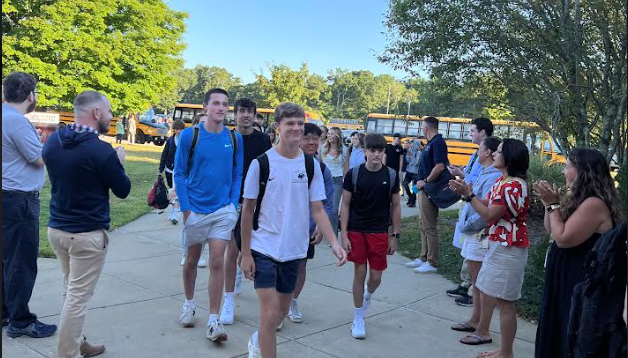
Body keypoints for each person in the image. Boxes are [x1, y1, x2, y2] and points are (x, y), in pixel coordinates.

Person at [240, 102, 347, 358]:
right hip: (264, 247)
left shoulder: (311, 167)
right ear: (278, 127)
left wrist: (334, 242)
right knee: (269, 312)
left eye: (300, 123)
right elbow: (247, 211)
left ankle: (258, 341)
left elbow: (318, 210)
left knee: (279, 314)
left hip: (295, 250)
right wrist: (245, 253)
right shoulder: (261, 164)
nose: (297, 128)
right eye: (290, 123)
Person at [43, 90, 131, 358]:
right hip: (86, 236)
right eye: (108, 111)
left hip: (57, 230)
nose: (111, 116)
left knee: (70, 291)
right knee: (77, 298)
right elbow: (123, 190)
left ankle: (77, 341)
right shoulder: (102, 151)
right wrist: (120, 162)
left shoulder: (53, 142)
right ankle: (67, 353)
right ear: (95, 113)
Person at [533, 148, 623, 358]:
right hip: (563, 275)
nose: (563, 171)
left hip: (578, 279)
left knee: (569, 327)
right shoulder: (576, 198)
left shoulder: (594, 203)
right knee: (555, 323)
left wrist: (554, 205)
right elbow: (551, 230)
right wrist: (550, 203)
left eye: (567, 166)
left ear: (583, 171)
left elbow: (563, 239)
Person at [173, 88, 244, 342]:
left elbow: (237, 175)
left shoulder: (234, 139)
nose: (221, 108)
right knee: (191, 261)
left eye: (225, 104)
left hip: (223, 211)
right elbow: (179, 173)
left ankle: (214, 321)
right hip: (195, 210)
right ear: (205, 108)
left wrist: (233, 204)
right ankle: (189, 304)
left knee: (216, 261)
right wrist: (186, 208)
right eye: (216, 103)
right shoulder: (190, 137)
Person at [449, 138, 530, 357]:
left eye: (499, 152)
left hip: (509, 249)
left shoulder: (513, 185)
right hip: (499, 246)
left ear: (510, 158)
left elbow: (488, 215)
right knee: (493, 294)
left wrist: (469, 195)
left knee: (505, 302)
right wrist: (467, 193)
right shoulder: (504, 181)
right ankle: (503, 349)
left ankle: (506, 352)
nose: (494, 154)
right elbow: (488, 204)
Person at [2, 72, 57, 338]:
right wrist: (46, 142)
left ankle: (6, 312)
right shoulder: (17, 122)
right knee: (21, 262)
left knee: (6, 259)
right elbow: (39, 159)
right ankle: (20, 321)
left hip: (6, 197)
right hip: (19, 200)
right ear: (29, 95)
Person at [340, 133, 401, 339]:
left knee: (375, 277)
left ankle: (368, 295)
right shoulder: (354, 174)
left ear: (384, 152)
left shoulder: (391, 175)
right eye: (372, 150)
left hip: (379, 231)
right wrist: (344, 234)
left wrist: (395, 235)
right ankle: (358, 317)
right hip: (357, 229)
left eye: (380, 151)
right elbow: (345, 205)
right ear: (365, 151)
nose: (376, 154)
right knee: (359, 272)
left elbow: (396, 205)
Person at [220, 98, 272, 325]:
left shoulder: (263, 140)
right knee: (231, 251)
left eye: (250, 112)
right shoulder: (227, 137)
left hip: (255, 202)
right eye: (242, 111)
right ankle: (228, 300)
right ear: (236, 114)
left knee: (246, 248)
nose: (246, 115)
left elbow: (269, 171)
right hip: (231, 201)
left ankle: (241, 272)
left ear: (254, 115)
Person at [448, 137, 502, 338]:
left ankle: (481, 326)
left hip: (479, 234)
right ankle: (475, 320)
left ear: (488, 152)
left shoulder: (494, 176)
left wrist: (468, 226)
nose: (476, 152)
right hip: (474, 232)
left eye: (480, 149)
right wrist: (464, 193)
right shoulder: (487, 173)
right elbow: (476, 198)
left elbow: (485, 210)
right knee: (476, 281)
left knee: (480, 282)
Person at [288, 123, 336, 323]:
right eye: (307, 137)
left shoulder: (322, 170)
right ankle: (277, 304)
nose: (311, 142)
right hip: (282, 228)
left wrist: (320, 226)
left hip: (306, 229)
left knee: (300, 266)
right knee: (278, 267)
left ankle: (292, 301)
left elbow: (327, 203)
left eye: (316, 138)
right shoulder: (284, 163)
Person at [446, 117, 494, 306]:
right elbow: (473, 175)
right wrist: (461, 173)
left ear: (483, 132)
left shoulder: (489, 155)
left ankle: (473, 290)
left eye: (473, 130)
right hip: (469, 199)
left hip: (476, 202)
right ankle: (466, 283)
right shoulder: (477, 154)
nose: (470, 134)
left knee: (474, 249)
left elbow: (482, 181)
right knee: (467, 246)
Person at [407, 117, 448, 274]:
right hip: (423, 189)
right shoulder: (431, 143)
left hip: (430, 189)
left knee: (429, 226)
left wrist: (425, 181)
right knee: (423, 223)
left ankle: (432, 261)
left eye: (422, 128)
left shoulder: (438, 143)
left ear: (426, 128)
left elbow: (440, 166)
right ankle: (423, 257)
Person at [159, 119, 186, 225]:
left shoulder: (186, 140)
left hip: (180, 171)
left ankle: (175, 213)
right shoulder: (170, 140)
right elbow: (164, 154)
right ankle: (173, 211)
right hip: (169, 169)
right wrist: (160, 169)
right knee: (171, 192)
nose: (179, 131)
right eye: (177, 129)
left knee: (178, 191)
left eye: (181, 129)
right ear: (174, 129)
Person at [319, 126, 345, 235]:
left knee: (334, 210)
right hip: (324, 180)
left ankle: (333, 234)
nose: (329, 135)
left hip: (337, 181)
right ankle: (320, 231)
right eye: (328, 133)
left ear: (337, 136)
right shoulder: (323, 149)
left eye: (332, 134)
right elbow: (319, 166)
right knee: (322, 207)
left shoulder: (344, 149)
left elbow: (346, 167)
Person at [401, 139, 422, 208]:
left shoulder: (419, 152)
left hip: (416, 173)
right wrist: (410, 157)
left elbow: (417, 163)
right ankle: (410, 197)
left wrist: (411, 158)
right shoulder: (410, 151)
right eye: (411, 143)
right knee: (404, 183)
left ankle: (413, 203)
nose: (411, 145)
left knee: (414, 188)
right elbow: (407, 160)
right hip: (409, 171)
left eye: (413, 144)